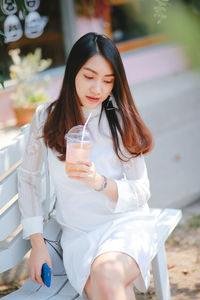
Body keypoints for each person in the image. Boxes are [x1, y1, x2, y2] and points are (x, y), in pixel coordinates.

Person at [18, 32, 157, 300]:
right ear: (72, 74)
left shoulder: (119, 120)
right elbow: (29, 181)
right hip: (79, 235)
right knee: (112, 289)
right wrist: (37, 244)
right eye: (89, 77)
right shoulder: (46, 118)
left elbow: (142, 190)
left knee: (106, 277)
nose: (98, 90)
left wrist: (100, 182)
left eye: (107, 81)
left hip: (125, 225)